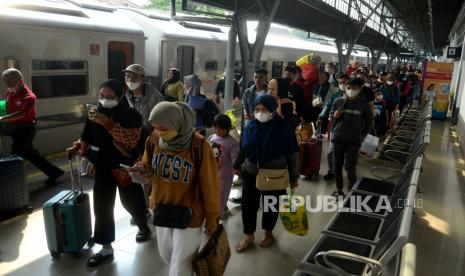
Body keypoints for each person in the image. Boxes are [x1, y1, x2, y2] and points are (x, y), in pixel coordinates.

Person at [68, 79, 151, 267]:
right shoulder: (94, 113)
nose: (105, 100)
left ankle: (143, 226)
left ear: (120, 96)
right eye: (101, 96)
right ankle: (106, 248)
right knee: (102, 207)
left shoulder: (131, 115)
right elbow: (87, 136)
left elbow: (130, 141)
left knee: (131, 202)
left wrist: (108, 124)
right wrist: (79, 146)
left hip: (124, 168)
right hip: (103, 166)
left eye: (110, 97)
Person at [132, 101, 220, 276]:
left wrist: (212, 218)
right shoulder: (155, 139)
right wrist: (141, 170)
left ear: (178, 123)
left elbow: (210, 186)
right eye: (155, 127)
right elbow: (148, 166)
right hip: (162, 208)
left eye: (163, 128)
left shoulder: (199, 146)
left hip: (190, 214)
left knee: (181, 265)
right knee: (168, 255)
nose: (159, 132)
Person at [233, 94, 298, 252]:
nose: (260, 112)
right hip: (250, 172)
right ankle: (249, 235)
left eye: (264, 109)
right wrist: (237, 163)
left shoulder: (283, 128)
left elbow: (293, 153)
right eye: (257, 109)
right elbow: (243, 146)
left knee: (270, 206)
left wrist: (293, 177)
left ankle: (269, 233)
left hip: (274, 175)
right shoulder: (250, 126)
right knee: (248, 206)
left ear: (272, 109)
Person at [0, 68, 64, 186]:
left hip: (26, 130)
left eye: (10, 82)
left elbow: (22, 113)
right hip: (13, 128)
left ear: (20, 80)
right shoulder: (10, 92)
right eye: (6, 82)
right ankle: (55, 172)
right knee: (31, 155)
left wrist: (2, 119)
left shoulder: (29, 96)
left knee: (16, 157)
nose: (8, 85)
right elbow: (6, 105)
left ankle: (12, 185)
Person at [121, 64, 164, 225]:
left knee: (149, 175)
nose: (129, 79)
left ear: (143, 78)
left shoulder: (155, 97)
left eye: (133, 76)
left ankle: (146, 208)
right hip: (136, 142)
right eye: (127, 76)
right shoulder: (127, 96)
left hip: (153, 141)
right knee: (140, 175)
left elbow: (161, 120)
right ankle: (143, 208)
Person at [330, 77, 372, 197]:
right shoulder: (339, 102)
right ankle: (339, 190)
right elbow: (332, 120)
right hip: (338, 138)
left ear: (359, 90)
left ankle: (351, 188)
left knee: (350, 166)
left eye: (354, 88)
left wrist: (362, 136)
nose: (351, 90)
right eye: (348, 88)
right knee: (337, 166)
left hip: (354, 140)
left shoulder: (364, 105)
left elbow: (369, 123)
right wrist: (335, 116)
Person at [317, 73, 349, 181]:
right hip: (335, 127)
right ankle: (332, 171)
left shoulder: (355, 97)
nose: (342, 84)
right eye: (340, 82)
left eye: (344, 82)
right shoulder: (335, 95)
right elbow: (327, 106)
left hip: (350, 129)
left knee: (345, 151)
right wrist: (321, 117)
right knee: (331, 151)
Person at [208, 114, 239, 219]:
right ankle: (220, 210)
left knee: (222, 195)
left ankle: (220, 214)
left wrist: (237, 171)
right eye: (215, 127)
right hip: (212, 173)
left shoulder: (233, 143)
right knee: (212, 195)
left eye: (220, 129)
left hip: (225, 176)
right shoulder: (211, 138)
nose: (217, 130)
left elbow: (235, 160)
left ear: (227, 129)